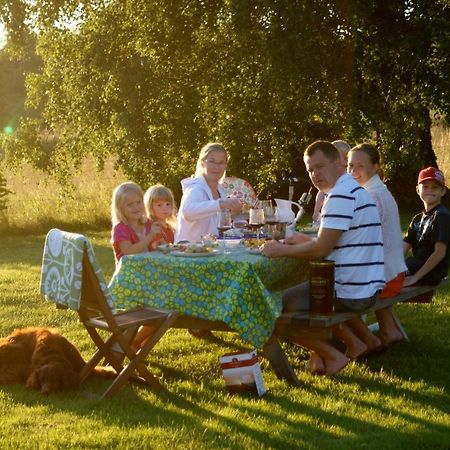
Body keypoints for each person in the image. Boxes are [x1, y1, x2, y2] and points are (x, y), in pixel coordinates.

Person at [262, 140, 385, 375]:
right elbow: (337, 245)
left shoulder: (340, 195)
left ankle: (332, 356)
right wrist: (306, 241)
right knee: (294, 293)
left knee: (271, 306)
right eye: (310, 170)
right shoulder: (353, 190)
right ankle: (349, 345)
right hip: (364, 286)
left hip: (349, 290)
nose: (315, 174)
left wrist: (280, 250)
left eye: (320, 167)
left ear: (339, 161)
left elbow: (322, 250)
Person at [347, 144, 408, 347]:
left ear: (375, 167)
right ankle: (389, 330)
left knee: (334, 289)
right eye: (350, 166)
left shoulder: (370, 196)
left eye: (360, 166)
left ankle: (361, 341)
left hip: (385, 279)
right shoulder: (377, 190)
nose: (353, 172)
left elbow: (354, 240)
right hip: (394, 272)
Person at [175, 143, 242, 243]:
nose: (216, 167)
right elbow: (187, 212)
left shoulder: (221, 191)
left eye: (221, 163)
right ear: (202, 163)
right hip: (188, 252)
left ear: (225, 166)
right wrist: (221, 204)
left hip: (210, 252)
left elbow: (217, 226)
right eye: (212, 161)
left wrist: (235, 214)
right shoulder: (195, 188)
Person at [403, 167, 450, 287]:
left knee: (382, 280)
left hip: (431, 272)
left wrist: (414, 278)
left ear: (443, 191)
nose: (430, 190)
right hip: (414, 266)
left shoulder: (441, 215)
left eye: (435, 187)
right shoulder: (417, 219)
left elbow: (439, 253)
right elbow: (402, 249)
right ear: (418, 190)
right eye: (425, 186)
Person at [111, 182, 164, 263]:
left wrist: (168, 245)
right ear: (120, 209)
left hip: (150, 270)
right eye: (130, 204)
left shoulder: (148, 223)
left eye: (138, 202)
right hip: (129, 272)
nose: (136, 207)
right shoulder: (120, 229)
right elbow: (128, 252)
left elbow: (160, 245)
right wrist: (150, 236)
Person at [312, 140, 351, 224]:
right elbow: (321, 192)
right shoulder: (329, 179)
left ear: (346, 160)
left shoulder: (347, 184)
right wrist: (316, 211)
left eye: (335, 157)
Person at [143, 184, 177, 250]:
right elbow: (161, 246)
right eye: (159, 205)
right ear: (150, 207)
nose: (165, 208)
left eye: (167, 204)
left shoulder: (169, 228)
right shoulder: (151, 227)